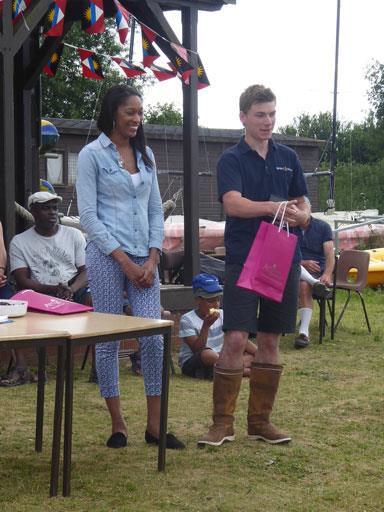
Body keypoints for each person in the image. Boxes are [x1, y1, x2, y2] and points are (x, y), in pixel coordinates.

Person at [198, 84, 310, 447]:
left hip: (282, 258)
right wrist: (272, 208)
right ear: (243, 117)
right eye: (260, 115)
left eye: (272, 114)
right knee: (234, 337)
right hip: (245, 258)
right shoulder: (231, 159)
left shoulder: (289, 157)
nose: (268, 121)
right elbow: (233, 205)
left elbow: (303, 203)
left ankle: (260, 421)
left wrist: (303, 216)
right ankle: (221, 424)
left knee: (271, 339)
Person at [76, 84, 184, 450]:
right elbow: (88, 216)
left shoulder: (147, 155)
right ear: (113, 114)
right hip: (108, 257)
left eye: (140, 112)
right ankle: (118, 423)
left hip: (145, 258)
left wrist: (153, 257)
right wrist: (122, 260)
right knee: (108, 339)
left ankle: (154, 426)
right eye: (130, 112)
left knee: (153, 338)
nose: (137, 119)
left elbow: (156, 210)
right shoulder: (91, 155)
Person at [0, 191, 91, 387]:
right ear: (33, 211)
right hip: (40, 293)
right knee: (14, 304)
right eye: (45, 208)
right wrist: (53, 290)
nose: (52, 213)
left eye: (55, 208)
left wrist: (72, 289)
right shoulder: (20, 241)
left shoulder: (74, 234)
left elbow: (86, 271)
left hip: (73, 288)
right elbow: (22, 280)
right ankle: (21, 368)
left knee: (96, 300)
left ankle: (99, 367)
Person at [178, 273, 257, 379]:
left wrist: (259, 353)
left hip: (220, 358)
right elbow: (197, 349)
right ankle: (244, 371)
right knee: (207, 355)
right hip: (197, 360)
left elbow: (239, 340)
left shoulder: (223, 315)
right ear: (198, 300)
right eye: (210, 300)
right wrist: (206, 326)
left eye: (218, 299)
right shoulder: (187, 319)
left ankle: (225, 369)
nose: (216, 304)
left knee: (252, 356)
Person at [295, 199, 334, 348]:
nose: (300, 211)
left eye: (303, 208)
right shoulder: (288, 228)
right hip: (294, 269)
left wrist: (327, 274)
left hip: (318, 271)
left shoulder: (323, 227)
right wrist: (303, 263)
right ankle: (315, 283)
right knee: (294, 269)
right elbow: (284, 255)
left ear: (309, 209)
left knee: (304, 285)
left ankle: (303, 333)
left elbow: (330, 254)